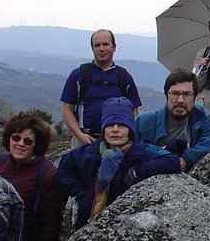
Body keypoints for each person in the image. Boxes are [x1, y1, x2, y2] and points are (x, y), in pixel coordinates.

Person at [56, 97, 179, 230]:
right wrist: (82, 192)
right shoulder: (89, 153)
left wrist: (136, 173)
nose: (115, 130)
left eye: (121, 125)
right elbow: (64, 169)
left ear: (130, 129)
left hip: (123, 226)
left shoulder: (139, 152)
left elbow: (172, 161)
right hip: (86, 223)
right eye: (110, 125)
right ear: (103, 129)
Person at [0, 112, 65, 241]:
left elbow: (51, 223)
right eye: (15, 138)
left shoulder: (47, 175)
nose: (20, 144)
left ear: (37, 145)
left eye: (28, 141)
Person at [60, 29, 143, 146]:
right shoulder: (78, 75)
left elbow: (134, 111)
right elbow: (67, 109)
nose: (101, 49)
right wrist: (80, 135)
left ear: (114, 47)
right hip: (84, 138)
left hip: (116, 141)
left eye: (106, 44)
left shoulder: (124, 77)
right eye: (97, 45)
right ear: (92, 48)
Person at [135, 70, 210, 171]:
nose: (180, 100)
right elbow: (131, 148)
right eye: (175, 94)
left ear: (195, 98)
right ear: (166, 95)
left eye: (187, 94)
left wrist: (186, 159)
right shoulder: (144, 122)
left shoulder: (201, 117)